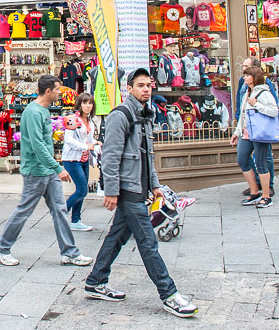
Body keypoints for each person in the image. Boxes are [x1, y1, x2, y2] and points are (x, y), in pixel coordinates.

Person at [85, 68, 198, 318]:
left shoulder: (146, 114)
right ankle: (169, 294)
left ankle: (96, 280)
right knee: (148, 243)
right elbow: (110, 156)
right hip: (128, 189)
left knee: (117, 236)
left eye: (148, 85)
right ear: (129, 89)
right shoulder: (121, 115)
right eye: (140, 85)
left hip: (139, 187)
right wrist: (111, 191)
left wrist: (155, 185)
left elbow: (147, 155)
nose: (146, 89)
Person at [0, 75, 93, 267]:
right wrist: (58, 167)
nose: (60, 92)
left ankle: (70, 252)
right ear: (48, 91)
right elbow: (37, 145)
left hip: (48, 170)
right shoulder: (32, 112)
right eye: (57, 89)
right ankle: (1, 247)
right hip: (35, 170)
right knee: (24, 210)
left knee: (60, 210)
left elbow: (44, 141)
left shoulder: (44, 111)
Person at [232, 66, 279, 209]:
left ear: (254, 78)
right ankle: (254, 192)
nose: (244, 78)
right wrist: (237, 132)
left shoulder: (264, 93)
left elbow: (274, 111)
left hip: (259, 133)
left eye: (247, 75)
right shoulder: (247, 92)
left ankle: (266, 196)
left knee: (261, 164)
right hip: (246, 133)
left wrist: (256, 104)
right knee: (242, 159)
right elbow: (243, 114)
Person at [63, 92, 99, 232]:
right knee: (82, 190)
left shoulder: (90, 121)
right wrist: (86, 146)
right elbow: (69, 140)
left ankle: (75, 220)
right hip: (72, 159)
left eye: (90, 103)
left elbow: (88, 139)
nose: (88, 106)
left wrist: (95, 143)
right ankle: (61, 213)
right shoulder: (73, 119)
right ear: (79, 104)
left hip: (84, 159)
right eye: (84, 103)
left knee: (82, 190)